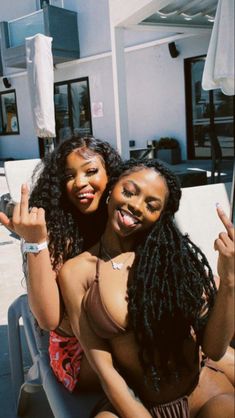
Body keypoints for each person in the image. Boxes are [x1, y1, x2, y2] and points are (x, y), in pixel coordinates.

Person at [59, 159, 234, 417]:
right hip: (136, 404)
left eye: (151, 205)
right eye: (129, 192)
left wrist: (229, 279)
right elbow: (105, 369)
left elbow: (215, 349)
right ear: (112, 189)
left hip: (203, 392)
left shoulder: (174, 261)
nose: (136, 206)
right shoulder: (76, 272)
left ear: (161, 216)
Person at [0, 135, 121, 392]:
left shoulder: (121, 220)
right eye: (68, 176)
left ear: (111, 174)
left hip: (119, 334)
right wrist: (35, 242)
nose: (79, 183)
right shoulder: (55, 231)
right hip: (76, 355)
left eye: (90, 171)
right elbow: (48, 319)